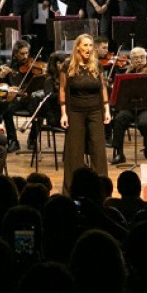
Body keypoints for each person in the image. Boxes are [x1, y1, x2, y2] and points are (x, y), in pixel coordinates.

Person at [59, 34, 111, 190]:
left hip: (95, 111)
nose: (89, 49)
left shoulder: (97, 66)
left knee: (98, 151)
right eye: (85, 45)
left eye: (90, 45)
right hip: (75, 112)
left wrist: (106, 108)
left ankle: (101, 190)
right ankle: (72, 190)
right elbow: (62, 90)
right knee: (74, 153)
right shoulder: (68, 66)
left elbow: (102, 88)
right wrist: (64, 113)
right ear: (78, 47)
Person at [109, 47, 147, 165]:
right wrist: (127, 73)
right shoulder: (128, 72)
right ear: (131, 60)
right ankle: (119, 153)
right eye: (135, 58)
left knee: (144, 122)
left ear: (146, 58)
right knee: (119, 120)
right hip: (130, 107)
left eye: (142, 57)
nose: (139, 60)